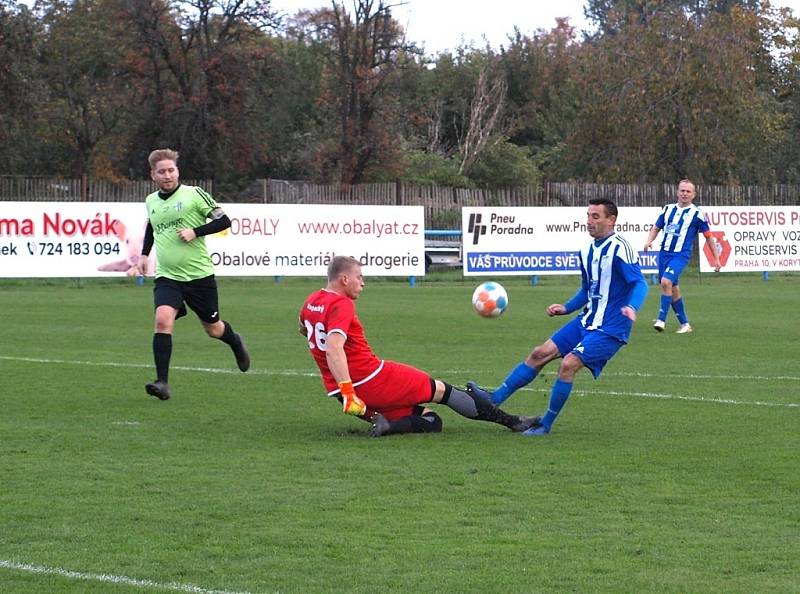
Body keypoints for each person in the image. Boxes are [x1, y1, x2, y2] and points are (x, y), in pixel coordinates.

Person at [300, 256, 540, 437]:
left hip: (339, 394)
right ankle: (514, 422)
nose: (362, 283)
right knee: (442, 390)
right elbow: (333, 348)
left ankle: (387, 424)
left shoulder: (311, 301)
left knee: (431, 421)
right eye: (359, 277)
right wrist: (349, 390)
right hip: (370, 379)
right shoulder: (342, 305)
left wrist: (345, 394)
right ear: (344, 279)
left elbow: (304, 328)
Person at [467, 198, 648, 436]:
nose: (589, 221)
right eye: (588, 216)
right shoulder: (586, 250)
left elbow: (640, 283)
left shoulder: (620, 247)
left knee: (568, 364)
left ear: (611, 220)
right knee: (539, 353)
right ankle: (493, 400)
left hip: (611, 328)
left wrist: (632, 307)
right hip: (586, 321)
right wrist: (566, 308)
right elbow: (587, 290)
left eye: (596, 216)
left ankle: (546, 424)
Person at [135, 148, 250, 400]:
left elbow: (224, 221)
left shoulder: (194, 194)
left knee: (213, 329)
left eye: (171, 170)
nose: (167, 175)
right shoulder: (151, 200)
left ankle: (235, 341)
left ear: (177, 171)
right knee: (162, 319)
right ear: (153, 175)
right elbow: (152, 228)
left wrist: (195, 231)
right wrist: (144, 255)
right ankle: (162, 383)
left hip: (199, 277)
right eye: (162, 171)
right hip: (167, 276)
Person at [643, 179, 721, 334]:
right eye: (682, 190)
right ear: (677, 192)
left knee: (666, 282)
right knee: (673, 289)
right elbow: (657, 227)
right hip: (664, 254)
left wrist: (716, 258)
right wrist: (649, 241)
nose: (685, 193)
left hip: (681, 255)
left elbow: (708, 236)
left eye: (688, 191)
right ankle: (685, 324)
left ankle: (661, 319)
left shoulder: (697, 214)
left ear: (694, 195)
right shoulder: (668, 209)